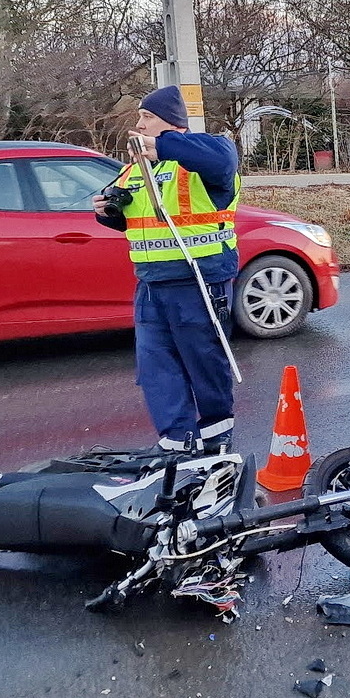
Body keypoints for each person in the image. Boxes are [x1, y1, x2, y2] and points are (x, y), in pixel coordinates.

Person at [93, 85, 240, 456]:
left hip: (198, 279)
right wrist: (108, 212)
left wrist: (164, 145)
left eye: (147, 117)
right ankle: (177, 440)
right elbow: (138, 221)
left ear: (172, 124)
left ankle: (216, 434)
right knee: (156, 366)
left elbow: (222, 164)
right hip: (151, 283)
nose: (139, 125)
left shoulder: (210, 151)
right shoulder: (137, 170)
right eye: (140, 117)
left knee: (204, 361)